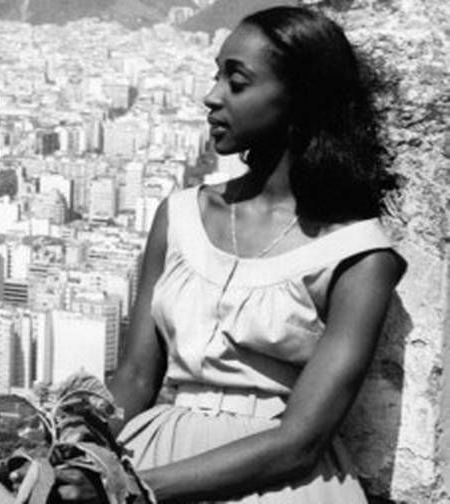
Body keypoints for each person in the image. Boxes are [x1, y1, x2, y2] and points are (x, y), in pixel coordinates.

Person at [53, 6, 406, 503]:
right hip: (152, 454)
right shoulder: (179, 216)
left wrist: (131, 489)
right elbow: (134, 377)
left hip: (276, 484)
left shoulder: (360, 254)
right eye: (216, 75)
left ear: (301, 99)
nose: (212, 96)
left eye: (236, 82)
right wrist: (77, 456)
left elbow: (300, 441)